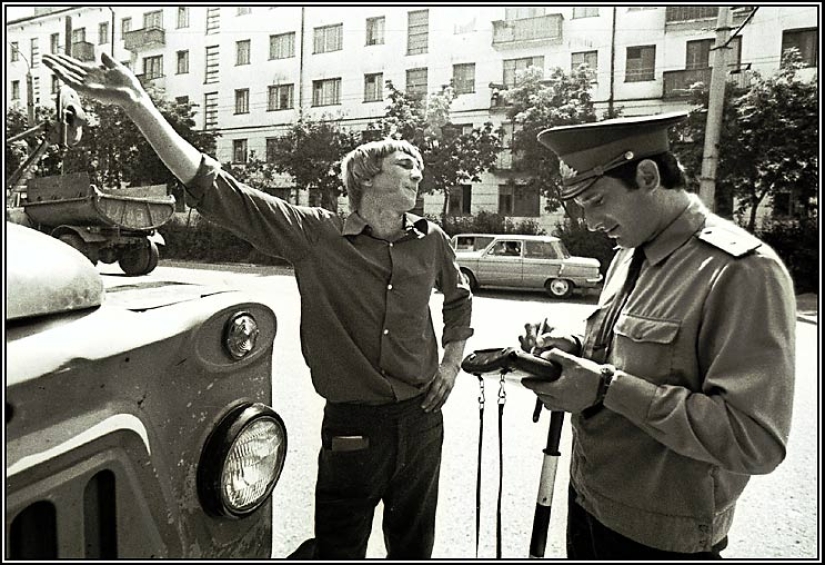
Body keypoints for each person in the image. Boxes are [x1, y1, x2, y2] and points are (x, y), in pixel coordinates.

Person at [43, 52, 473, 559]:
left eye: (418, 166)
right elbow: (219, 191)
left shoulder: (431, 239)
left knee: (415, 544)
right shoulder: (318, 236)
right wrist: (138, 103)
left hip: (424, 419)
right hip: (356, 426)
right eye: (405, 164)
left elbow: (459, 300)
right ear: (366, 177)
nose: (418, 172)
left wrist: (451, 362)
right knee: (340, 546)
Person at [518, 112, 796, 559]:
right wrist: (571, 349)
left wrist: (607, 387)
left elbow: (754, 441)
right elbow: (625, 349)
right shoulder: (628, 253)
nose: (588, 222)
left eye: (596, 201)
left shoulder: (740, 271)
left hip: (661, 535)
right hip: (590, 499)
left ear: (647, 176)